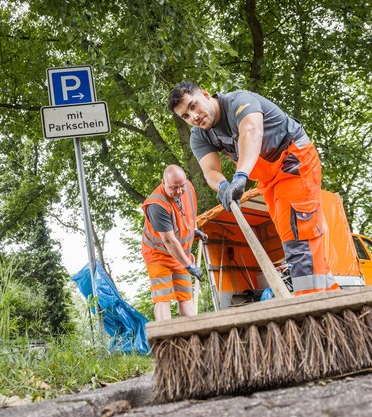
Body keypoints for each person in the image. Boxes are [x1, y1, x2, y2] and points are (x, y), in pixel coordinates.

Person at [167, 82, 339, 296]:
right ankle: (333, 300)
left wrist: (240, 176)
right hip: (268, 180)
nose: (193, 117)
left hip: (293, 162)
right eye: (185, 116)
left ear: (204, 94)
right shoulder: (200, 136)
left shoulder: (239, 102)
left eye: (193, 106)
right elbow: (210, 170)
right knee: (297, 235)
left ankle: (310, 307)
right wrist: (223, 187)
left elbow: (251, 132)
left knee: (297, 238)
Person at [142, 165, 205, 321]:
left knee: (185, 296)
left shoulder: (187, 188)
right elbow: (169, 241)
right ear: (163, 182)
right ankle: (166, 341)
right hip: (159, 256)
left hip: (181, 254)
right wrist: (189, 266)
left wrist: (193, 230)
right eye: (173, 188)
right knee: (163, 298)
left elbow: (186, 214)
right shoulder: (157, 205)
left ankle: (192, 339)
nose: (178, 191)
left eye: (181, 186)